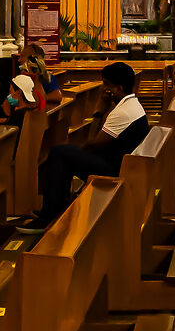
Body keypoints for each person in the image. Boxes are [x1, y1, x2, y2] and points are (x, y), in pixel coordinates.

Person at [31, 62, 149, 227]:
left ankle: (48, 215)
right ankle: (55, 208)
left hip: (117, 171)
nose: (104, 90)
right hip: (122, 164)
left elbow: (93, 144)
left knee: (59, 153)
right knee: (65, 154)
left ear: (118, 88)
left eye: (107, 85)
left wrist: (99, 111)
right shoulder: (132, 104)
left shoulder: (123, 112)